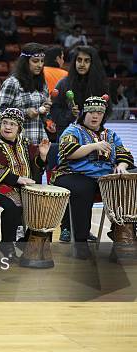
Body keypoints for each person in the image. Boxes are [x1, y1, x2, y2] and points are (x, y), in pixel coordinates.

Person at [52, 96, 134, 258]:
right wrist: (94, 146)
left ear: (103, 115)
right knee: (84, 188)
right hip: (72, 174)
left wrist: (121, 166)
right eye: (91, 112)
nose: (95, 116)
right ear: (84, 114)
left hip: (104, 176)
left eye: (99, 113)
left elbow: (124, 154)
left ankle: (122, 235)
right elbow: (69, 153)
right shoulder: (72, 130)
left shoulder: (110, 134)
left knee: (130, 182)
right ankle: (80, 241)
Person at [0, 108, 49, 259]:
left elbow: (34, 165)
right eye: (4, 123)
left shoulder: (24, 142)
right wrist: (18, 179)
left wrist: (42, 157)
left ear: (19, 128)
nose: (7, 127)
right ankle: (7, 243)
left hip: (21, 185)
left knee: (41, 203)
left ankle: (25, 241)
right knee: (14, 205)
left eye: (12, 124)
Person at [0, 42, 50, 144]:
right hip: (17, 144)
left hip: (40, 143)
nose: (40, 65)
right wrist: (24, 113)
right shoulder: (13, 82)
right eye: (35, 61)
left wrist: (46, 112)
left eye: (42, 61)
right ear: (25, 62)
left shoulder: (42, 83)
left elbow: (42, 115)